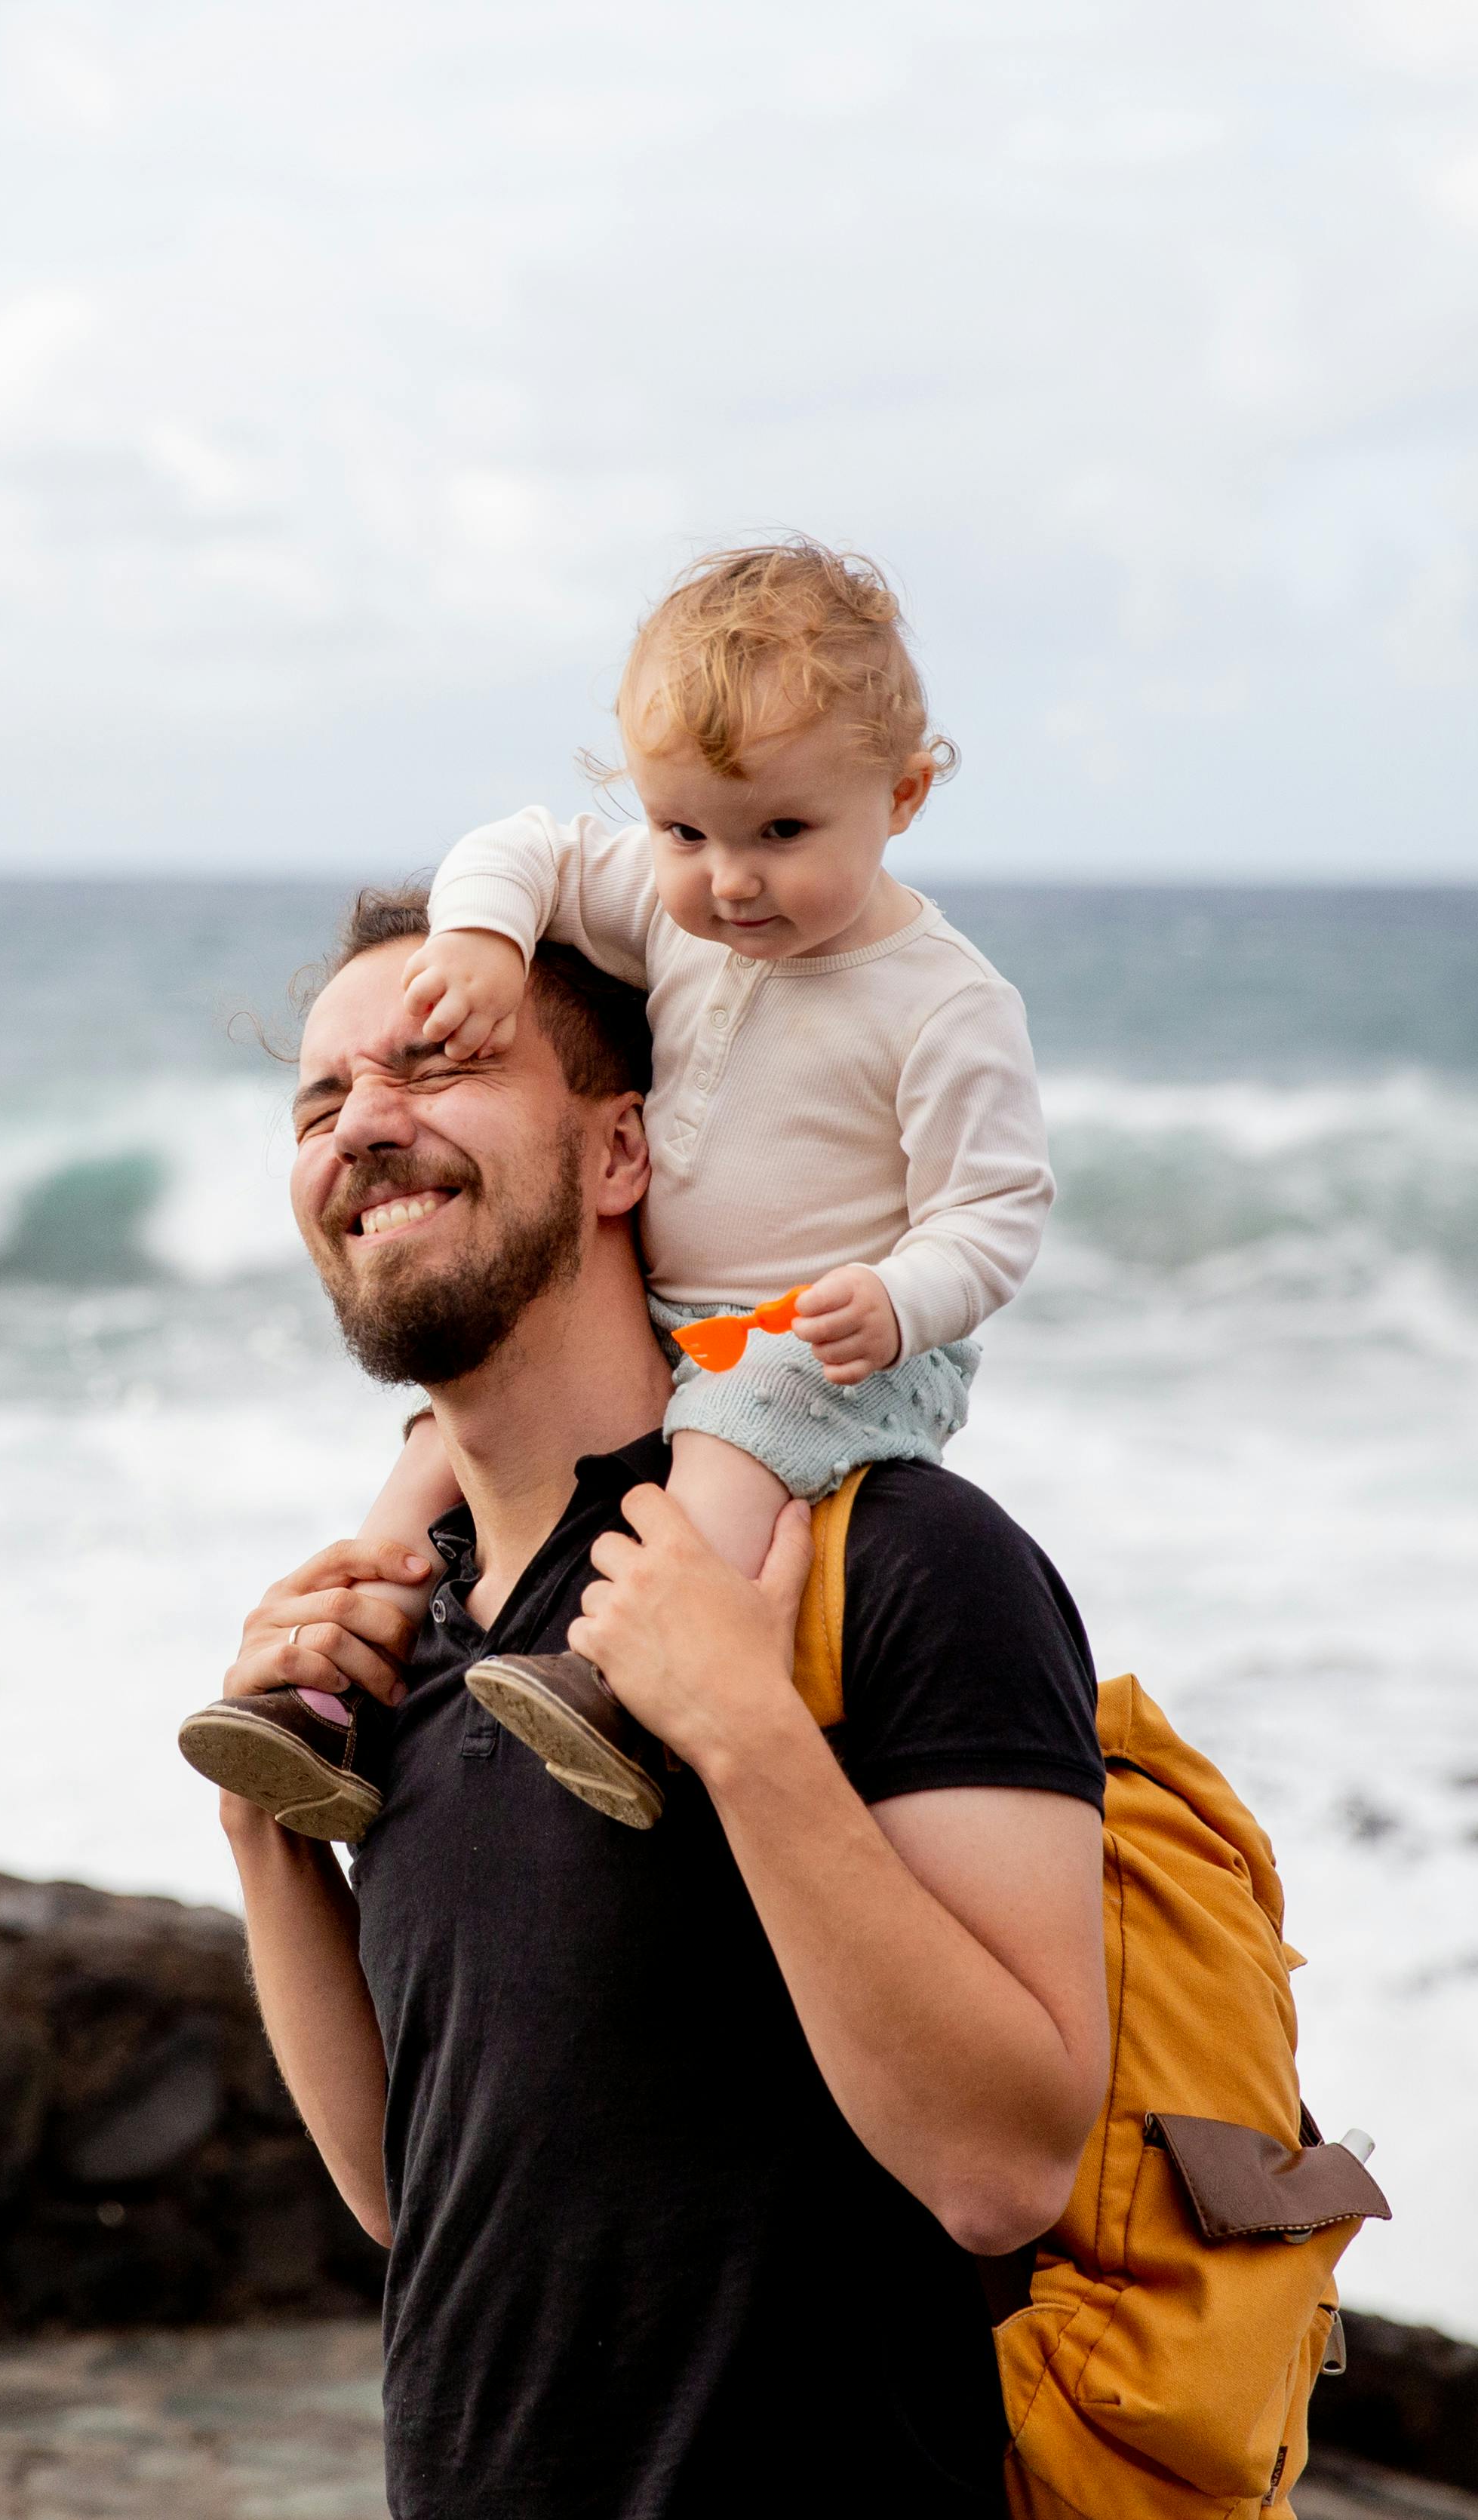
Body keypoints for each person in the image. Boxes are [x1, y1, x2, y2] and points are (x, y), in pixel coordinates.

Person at [207, 888, 1110, 2517]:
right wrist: (262, 1840)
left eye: (432, 1063)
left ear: (622, 1153)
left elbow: (1004, 2168)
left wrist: (745, 1735)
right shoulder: (405, 1624)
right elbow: (416, 2203)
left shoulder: (896, 1560)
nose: (364, 1128)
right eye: (321, 1100)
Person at [180, 540, 1052, 1837]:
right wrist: (479, 941)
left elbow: (996, 1208)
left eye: (783, 832)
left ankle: (620, 1689)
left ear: (906, 795)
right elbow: (521, 848)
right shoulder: (677, 911)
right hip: (683, 1317)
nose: (730, 878)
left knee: (732, 1421)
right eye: (683, 828)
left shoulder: (945, 1003)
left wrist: (899, 1295)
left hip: (838, 1340)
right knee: (436, 1450)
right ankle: (341, 1689)